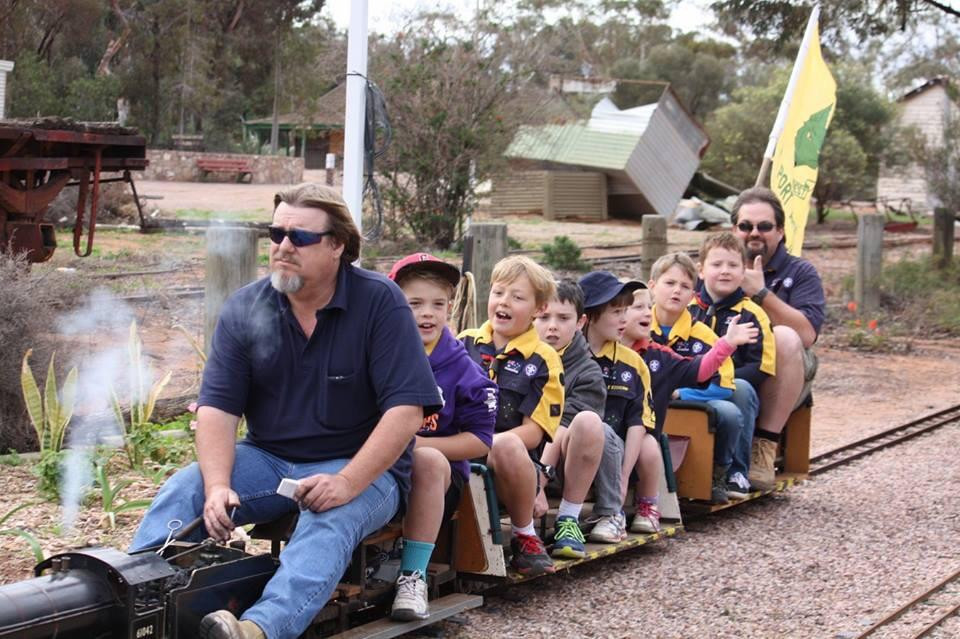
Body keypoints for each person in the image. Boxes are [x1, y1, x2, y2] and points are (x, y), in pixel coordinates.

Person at [129, 184, 442, 639]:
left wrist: (346, 481)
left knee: (329, 515)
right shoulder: (246, 307)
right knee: (187, 490)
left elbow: (406, 411)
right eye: (276, 234)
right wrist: (218, 486)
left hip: (361, 466)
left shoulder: (380, 302)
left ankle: (258, 631)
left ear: (337, 245)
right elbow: (217, 408)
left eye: (301, 238)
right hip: (269, 458)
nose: (283, 247)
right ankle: (133, 605)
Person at [386, 253, 497, 620]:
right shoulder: (377, 354)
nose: (427, 313)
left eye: (437, 304)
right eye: (414, 304)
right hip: (379, 467)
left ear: (450, 308)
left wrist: (413, 444)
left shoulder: (464, 368)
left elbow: (481, 439)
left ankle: (412, 575)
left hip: (438, 478)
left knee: (427, 460)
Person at [459, 256, 565, 576]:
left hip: (510, 462)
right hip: (457, 450)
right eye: (498, 292)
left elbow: (534, 433)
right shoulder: (462, 343)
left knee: (506, 446)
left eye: (517, 297)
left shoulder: (544, 359)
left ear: (538, 309)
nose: (504, 302)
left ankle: (524, 536)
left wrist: (478, 444)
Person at [730, 187, 826, 490]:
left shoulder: (800, 272)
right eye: (745, 226)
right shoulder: (718, 267)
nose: (754, 233)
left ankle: (765, 446)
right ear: (735, 230)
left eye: (764, 226)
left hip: (786, 371)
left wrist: (760, 294)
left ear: (780, 231)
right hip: (732, 364)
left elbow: (807, 334)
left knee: (784, 337)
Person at [646, 253, 743, 504]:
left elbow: (724, 385)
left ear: (693, 295)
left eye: (685, 287)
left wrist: (682, 393)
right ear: (652, 286)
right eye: (669, 283)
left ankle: (718, 474)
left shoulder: (703, 335)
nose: (676, 291)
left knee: (729, 413)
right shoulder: (640, 327)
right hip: (649, 402)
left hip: (691, 401)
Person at [690, 232, 776, 498]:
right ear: (701, 271)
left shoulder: (752, 313)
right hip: (690, 382)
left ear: (744, 272)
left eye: (733, 265)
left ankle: (736, 471)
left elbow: (762, 364)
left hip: (731, 388)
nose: (724, 271)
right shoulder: (688, 308)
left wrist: (721, 379)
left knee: (740, 387)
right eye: (716, 265)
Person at [578, 271, 660, 534]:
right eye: (616, 312)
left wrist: (623, 478)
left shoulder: (633, 363)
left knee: (649, 443)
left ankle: (621, 512)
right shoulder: (564, 357)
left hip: (620, 453)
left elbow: (638, 422)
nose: (625, 319)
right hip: (574, 451)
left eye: (626, 310)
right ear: (589, 316)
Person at [532, 280, 610, 554]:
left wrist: (537, 482)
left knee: (588, 422)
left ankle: (568, 517)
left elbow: (561, 427)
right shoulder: (514, 356)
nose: (552, 326)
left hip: (562, 466)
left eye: (563, 318)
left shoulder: (587, 371)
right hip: (517, 455)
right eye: (543, 317)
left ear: (581, 322)